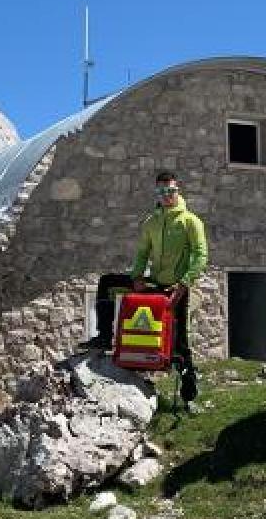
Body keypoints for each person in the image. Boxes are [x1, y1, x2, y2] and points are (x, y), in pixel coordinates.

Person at [83, 171, 208, 405]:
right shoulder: (151, 222)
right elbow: (142, 253)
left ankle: (188, 394)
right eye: (162, 192)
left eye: (171, 191)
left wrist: (184, 283)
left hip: (176, 287)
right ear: (157, 194)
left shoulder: (191, 221)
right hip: (153, 281)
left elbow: (201, 255)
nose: (167, 195)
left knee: (180, 343)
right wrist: (137, 276)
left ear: (177, 191)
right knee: (108, 282)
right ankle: (104, 335)